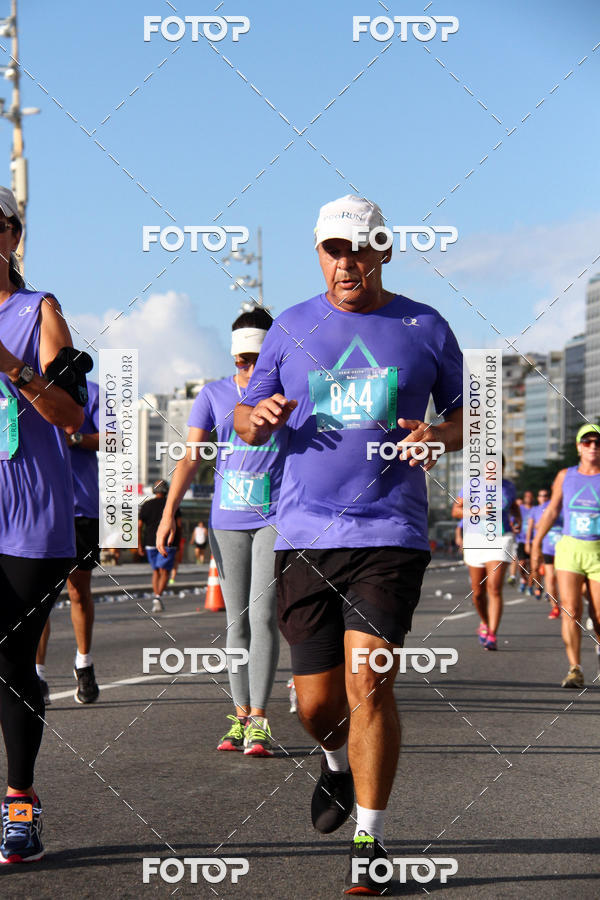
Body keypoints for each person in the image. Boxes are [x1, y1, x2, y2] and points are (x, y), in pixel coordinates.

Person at [233, 195, 463, 894]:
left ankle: (370, 838)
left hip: (389, 533)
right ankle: (334, 762)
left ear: (383, 251)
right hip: (304, 535)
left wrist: (439, 434)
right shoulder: (290, 327)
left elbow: (470, 415)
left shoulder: (425, 326)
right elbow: (245, 416)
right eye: (334, 250)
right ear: (319, 253)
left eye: (360, 249)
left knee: (369, 682)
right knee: (314, 706)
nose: (346, 262)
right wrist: (257, 416)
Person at [157, 307, 287, 757]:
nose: (248, 369)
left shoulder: (288, 394)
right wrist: (169, 511)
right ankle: (241, 715)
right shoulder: (214, 395)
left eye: (256, 360)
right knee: (237, 620)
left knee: (263, 615)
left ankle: (260, 721)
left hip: (275, 518)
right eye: (240, 361)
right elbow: (191, 456)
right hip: (226, 520)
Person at [0, 186, 86, 862]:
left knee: (10, 660)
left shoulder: (39, 311)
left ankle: (20, 805)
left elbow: (70, 412)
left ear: (12, 236)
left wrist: (11, 366)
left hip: (28, 515)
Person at [36, 380, 101, 705]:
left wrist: (74, 438)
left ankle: (84, 664)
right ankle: (36, 675)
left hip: (81, 508)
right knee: (36, 598)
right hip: (37, 508)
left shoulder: (93, 391)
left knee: (78, 591)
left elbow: (117, 439)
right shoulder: (24, 386)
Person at [531, 424, 600, 688]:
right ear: (579, 447)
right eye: (587, 441)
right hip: (570, 549)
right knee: (570, 609)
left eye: (597, 442)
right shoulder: (565, 475)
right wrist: (536, 542)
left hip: (598, 551)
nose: (593, 446)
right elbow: (551, 510)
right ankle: (575, 669)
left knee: (598, 614)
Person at [452, 457, 521, 651]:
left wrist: (518, 520)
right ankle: (484, 621)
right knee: (478, 592)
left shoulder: (508, 487)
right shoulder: (472, 485)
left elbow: (514, 507)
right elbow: (456, 511)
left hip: (501, 538)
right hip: (476, 538)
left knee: (495, 587)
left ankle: (492, 633)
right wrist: (478, 511)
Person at [138, 481, 181, 613]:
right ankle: (157, 597)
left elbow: (139, 527)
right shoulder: (171, 504)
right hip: (168, 542)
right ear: (166, 490)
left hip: (150, 543)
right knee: (165, 571)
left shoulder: (147, 505)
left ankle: (156, 597)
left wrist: (139, 545)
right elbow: (179, 525)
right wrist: (179, 543)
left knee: (156, 571)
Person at [525, 490, 550, 599]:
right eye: (541, 495)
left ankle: (549, 591)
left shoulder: (551, 508)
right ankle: (538, 586)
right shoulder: (534, 510)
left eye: (545, 495)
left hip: (549, 541)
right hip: (537, 541)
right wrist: (527, 543)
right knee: (535, 567)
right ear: (538, 498)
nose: (543, 497)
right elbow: (530, 527)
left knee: (548, 567)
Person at [514, 490, 534, 591]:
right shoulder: (519, 509)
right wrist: (514, 528)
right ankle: (524, 579)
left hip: (533, 541)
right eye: (526, 496)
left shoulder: (535, 510)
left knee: (532, 566)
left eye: (530, 496)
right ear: (524, 498)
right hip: (521, 540)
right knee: (521, 564)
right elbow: (513, 521)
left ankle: (530, 586)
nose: (528, 498)